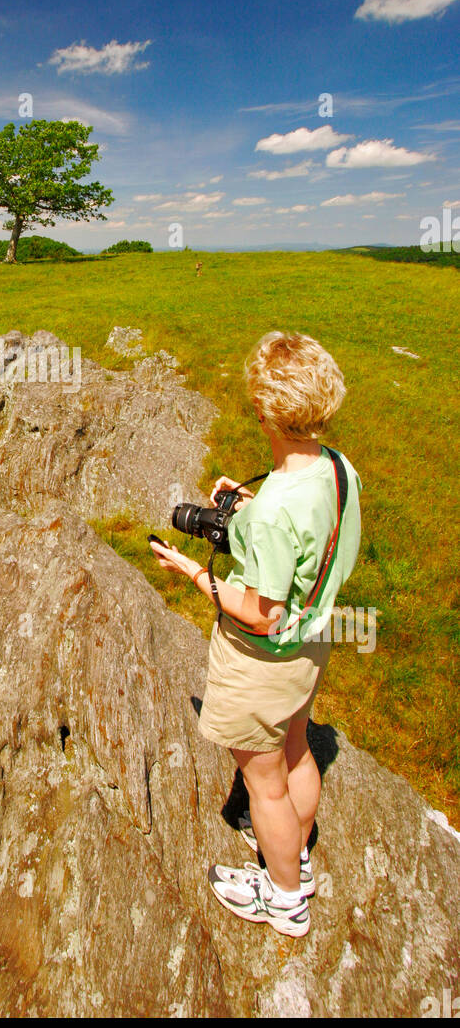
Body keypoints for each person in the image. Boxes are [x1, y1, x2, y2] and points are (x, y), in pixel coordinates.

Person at [150, 331, 361, 937]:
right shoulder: (338, 469)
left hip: (263, 659)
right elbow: (306, 535)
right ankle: (294, 859)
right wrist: (247, 501)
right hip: (310, 645)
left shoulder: (274, 511)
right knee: (296, 745)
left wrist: (195, 574)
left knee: (262, 783)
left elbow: (260, 611)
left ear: (265, 410)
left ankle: (285, 899)